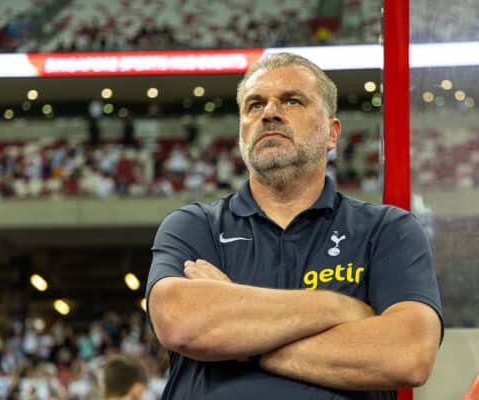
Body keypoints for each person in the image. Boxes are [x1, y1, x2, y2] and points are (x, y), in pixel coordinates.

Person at [146, 52, 443, 400]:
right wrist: (340, 308)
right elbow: (181, 321)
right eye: (254, 105)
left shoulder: (387, 230)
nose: (269, 112)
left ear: (332, 133)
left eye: (291, 100)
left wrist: (239, 338)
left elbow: (407, 355)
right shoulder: (193, 226)